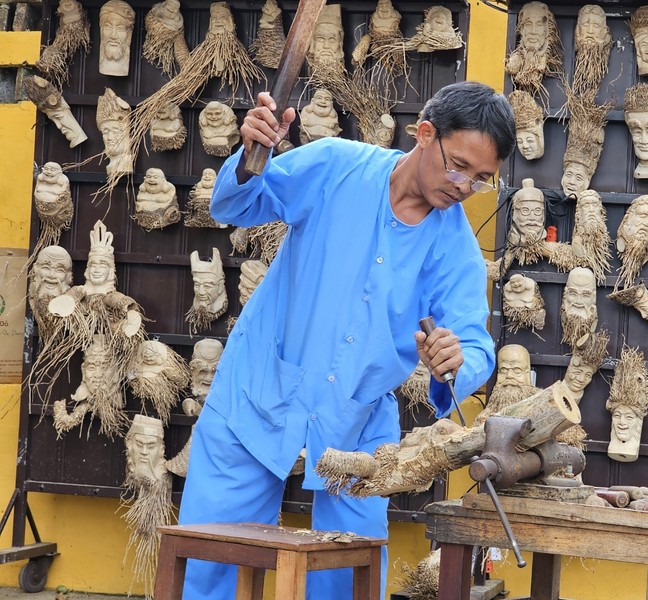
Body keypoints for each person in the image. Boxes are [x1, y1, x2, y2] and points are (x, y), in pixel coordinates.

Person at [178, 80, 515, 600]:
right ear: (425, 133)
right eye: (458, 165)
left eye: (481, 179)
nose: (464, 186)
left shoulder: (456, 250)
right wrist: (252, 156)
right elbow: (238, 206)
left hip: (356, 424)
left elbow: (473, 342)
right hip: (256, 393)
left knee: (347, 579)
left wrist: (458, 358)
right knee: (211, 565)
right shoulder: (335, 165)